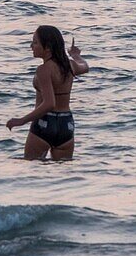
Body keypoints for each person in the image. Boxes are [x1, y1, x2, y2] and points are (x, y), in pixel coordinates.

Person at [6, 26, 89, 160]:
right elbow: (85, 67)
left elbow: (49, 103)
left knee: (33, 171)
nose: (31, 45)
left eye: (35, 42)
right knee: (63, 176)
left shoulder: (44, 70)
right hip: (66, 124)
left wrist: (21, 121)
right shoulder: (70, 65)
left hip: (45, 123)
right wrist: (76, 55)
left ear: (48, 47)